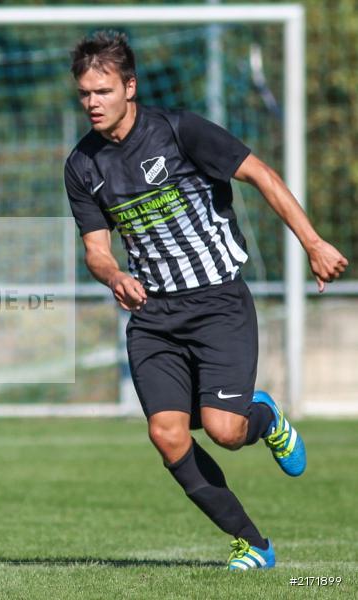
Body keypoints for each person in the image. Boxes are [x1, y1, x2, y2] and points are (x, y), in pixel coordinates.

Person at [64, 32, 347, 570]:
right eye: (84, 94)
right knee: (166, 435)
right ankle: (254, 544)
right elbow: (96, 251)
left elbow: (260, 174)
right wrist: (113, 277)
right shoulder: (82, 165)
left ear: (130, 86)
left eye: (102, 91)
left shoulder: (179, 130)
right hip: (153, 316)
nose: (92, 103)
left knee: (224, 430)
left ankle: (261, 417)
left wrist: (313, 242)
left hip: (218, 301)